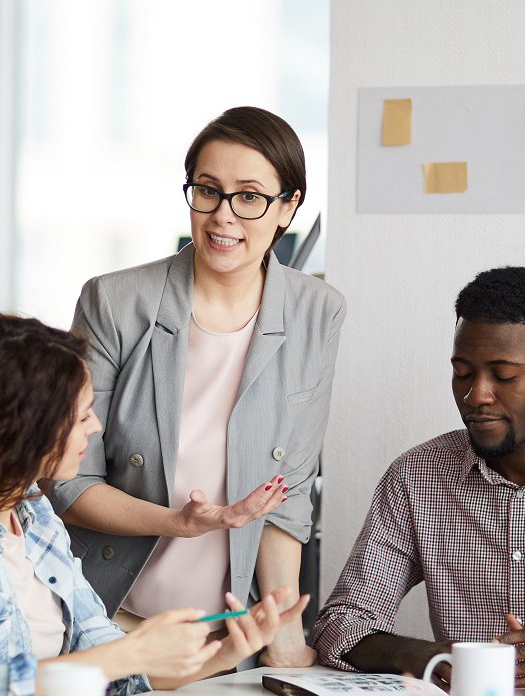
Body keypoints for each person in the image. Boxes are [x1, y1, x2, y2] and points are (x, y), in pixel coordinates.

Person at [48, 106, 345, 667]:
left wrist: (282, 634)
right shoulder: (115, 302)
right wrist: (176, 523)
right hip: (110, 619)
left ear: (289, 206)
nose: (223, 216)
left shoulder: (316, 311)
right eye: (208, 191)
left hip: (231, 637)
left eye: (250, 196)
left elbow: (288, 494)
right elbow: (69, 481)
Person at [0, 313, 310, 696]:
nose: (95, 427)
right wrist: (128, 654)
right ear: (19, 431)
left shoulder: (35, 516)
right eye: (81, 417)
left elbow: (112, 667)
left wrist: (226, 652)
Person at [313, 266, 525, 690]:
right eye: (463, 373)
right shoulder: (418, 477)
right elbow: (340, 625)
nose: (476, 395)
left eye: (503, 376)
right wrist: (428, 655)